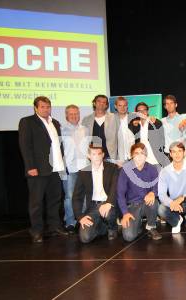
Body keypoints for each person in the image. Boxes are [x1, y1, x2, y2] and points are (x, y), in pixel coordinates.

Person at [18, 96, 68, 243]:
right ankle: (36, 231)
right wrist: (30, 167)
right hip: (38, 170)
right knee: (36, 202)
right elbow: (25, 146)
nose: (46, 109)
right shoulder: (27, 122)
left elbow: (58, 145)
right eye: (43, 107)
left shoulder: (56, 123)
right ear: (36, 108)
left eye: (48, 107)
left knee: (54, 200)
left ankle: (54, 227)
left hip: (56, 168)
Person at [72, 146, 119, 243]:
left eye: (99, 154)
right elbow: (76, 197)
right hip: (92, 207)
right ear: (89, 156)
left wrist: (109, 203)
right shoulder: (83, 172)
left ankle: (112, 228)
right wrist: (80, 217)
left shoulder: (112, 168)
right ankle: (102, 226)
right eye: (93, 154)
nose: (97, 157)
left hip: (108, 204)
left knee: (109, 214)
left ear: (103, 155)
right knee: (85, 238)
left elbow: (115, 188)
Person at [117, 143, 162, 241]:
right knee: (128, 237)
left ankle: (151, 227)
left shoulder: (152, 169)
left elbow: (157, 185)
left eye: (142, 153)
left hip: (147, 203)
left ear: (146, 155)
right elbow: (120, 194)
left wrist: (153, 192)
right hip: (132, 205)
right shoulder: (125, 170)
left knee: (154, 202)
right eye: (136, 153)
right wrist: (125, 213)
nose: (140, 156)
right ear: (131, 155)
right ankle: (138, 225)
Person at [158, 142, 186, 235]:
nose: (177, 154)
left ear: (184, 152)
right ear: (170, 154)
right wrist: (171, 203)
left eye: (179, 151)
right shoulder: (164, 171)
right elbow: (161, 194)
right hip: (175, 205)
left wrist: (183, 197)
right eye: (174, 152)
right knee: (161, 209)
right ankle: (177, 221)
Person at [61, 104, 90, 234]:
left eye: (76, 114)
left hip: (84, 167)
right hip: (69, 169)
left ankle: (81, 220)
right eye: (71, 114)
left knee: (83, 196)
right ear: (66, 116)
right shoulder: (61, 130)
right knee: (69, 196)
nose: (74, 116)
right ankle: (70, 222)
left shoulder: (85, 129)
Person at [129, 102, 168, 167]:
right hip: (141, 161)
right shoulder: (135, 125)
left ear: (147, 111)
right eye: (139, 111)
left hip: (155, 160)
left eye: (144, 110)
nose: (142, 112)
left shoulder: (156, 122)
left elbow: (162, 140)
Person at [82, 95, 118, 160]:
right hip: (93, 157)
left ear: (106, 105)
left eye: (104, 102)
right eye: (99, 101)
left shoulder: (114, 117)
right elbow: (83, 139)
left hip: (109, 155)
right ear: (94, 103)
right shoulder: (86, 119)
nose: (101, 104)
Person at [114, 96, 136, 163]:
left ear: (127, 106)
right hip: (118, 158)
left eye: (124, 105)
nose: (122, 108)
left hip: (133, 156)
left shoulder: (134, 118)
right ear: (115, 106)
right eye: (120, 105)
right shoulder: (111, 120)